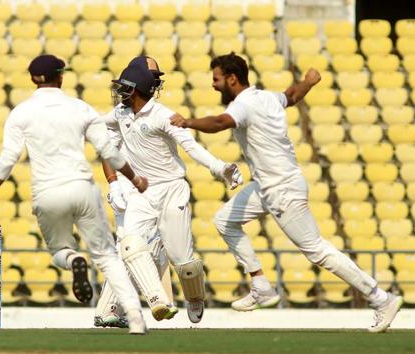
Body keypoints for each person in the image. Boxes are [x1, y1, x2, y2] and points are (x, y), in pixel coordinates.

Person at [169, 52, 403, 333]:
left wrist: (188, 122)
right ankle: (260, 285)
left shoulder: (243, 105)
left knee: (317, 251)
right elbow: (291, 95)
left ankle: (381, 298)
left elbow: (220, 123)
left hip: (281, 189)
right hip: (267, 185)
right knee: (224, 221)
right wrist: (309, 81)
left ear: (232, 79)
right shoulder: (266, 97)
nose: (214, 85)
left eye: (217, 79)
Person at [0, 54, 149, 335]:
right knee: (107, 256)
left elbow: (7, 161)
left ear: (31, 79)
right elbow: (108, 152)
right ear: (61, 77)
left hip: (47, 192)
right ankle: (136, 319)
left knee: (59, 251)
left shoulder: (21, 113)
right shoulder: (80, 108)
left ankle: (73, 260)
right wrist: (134, 178)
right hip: (81, 187)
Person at [101, 63, 243, 324]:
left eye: (124, 88)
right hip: (140, 191)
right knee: (130, 243)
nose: (119, 92)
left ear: (136, 91)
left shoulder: (162, 116)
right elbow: (99, 130)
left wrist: (220, 168)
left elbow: (191, 147)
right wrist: (114, 183)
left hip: (171, 189)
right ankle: (158, 301)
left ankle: (195, 297)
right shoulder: (120, 114)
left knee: (182, 261)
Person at [94, 55, 175, 329]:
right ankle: (152, 301)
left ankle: (108, 309)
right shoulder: (122, 112)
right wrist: (114, 183)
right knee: (136, 247)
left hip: (147, 192)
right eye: (153, 75)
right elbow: (106, 146)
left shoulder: (151, 112)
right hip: (131, 192)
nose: (156, 81)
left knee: (132, 249)